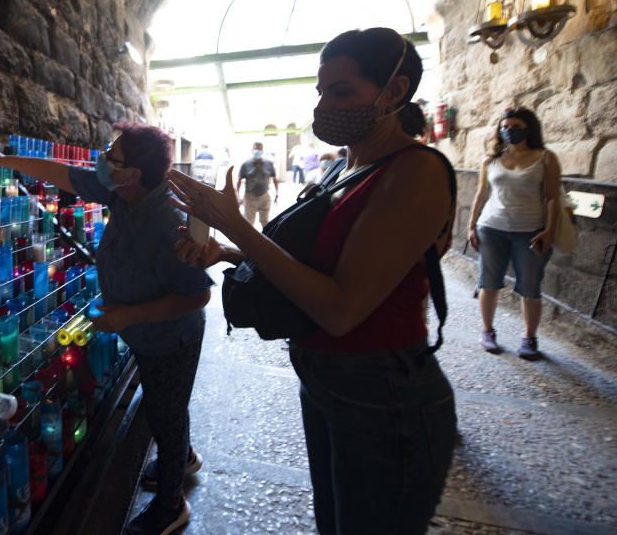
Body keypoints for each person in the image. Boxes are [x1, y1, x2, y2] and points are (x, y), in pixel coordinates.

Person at [167, 28, 457, 535]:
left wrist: (236, 223)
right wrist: (225, 251)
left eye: (341, 92)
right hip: (326, 380)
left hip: (382, 393)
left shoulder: (415, 171)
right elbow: (313, 271)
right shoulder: (348, 166)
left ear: (394, 91)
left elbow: (341, 309)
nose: (325, 105)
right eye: (321, 91)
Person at [0, 123, 212, 535]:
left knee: (164, 409)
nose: (101, 160)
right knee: (166, 400)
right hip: (142, 334)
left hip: (170, 338)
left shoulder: (167, 222)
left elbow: (196, 297)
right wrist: (1, 160)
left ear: (132, 173)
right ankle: (182, 455)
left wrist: (127, 317)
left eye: (110, 156)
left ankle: (171, 505)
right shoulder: (122, 191)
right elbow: (62, 173)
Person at [467, 107, 560, 359]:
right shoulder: (491, 160)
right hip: (491, 227)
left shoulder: (546, 157)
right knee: (489, 282)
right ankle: (487, 331)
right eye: (505, 127)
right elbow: (481, 194)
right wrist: (471, 225)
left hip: (530, 231)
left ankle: (529, 338)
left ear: (529, 129)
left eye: (516, 127)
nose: (509, 131)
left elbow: (553, 197)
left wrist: (550, 230)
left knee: (530, 286)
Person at [236, 142, 279, 227]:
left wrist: (277, 194)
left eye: (260, 149)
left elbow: (274, 179)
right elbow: (239, 180)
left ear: (262, 150)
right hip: (250, 197)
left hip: (264, 196)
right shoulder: (246, 164)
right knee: (249, 223)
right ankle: (249, 239)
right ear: (252, 150)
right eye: (256, 148)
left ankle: (265, 239)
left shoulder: (269, 164)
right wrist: (238, 196)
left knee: (265, 222)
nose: (257, 151)